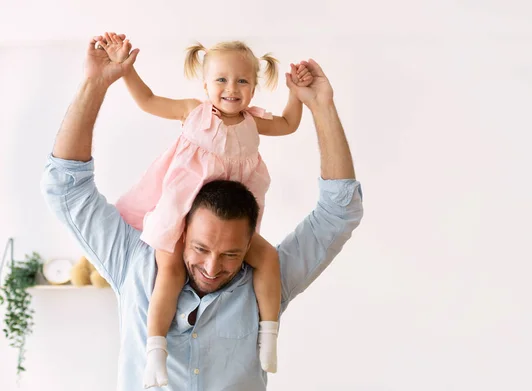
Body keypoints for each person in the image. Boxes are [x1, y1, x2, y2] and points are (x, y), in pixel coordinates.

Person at [41, 33, 363, 391]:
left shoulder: (266, 279)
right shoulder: (137, 263)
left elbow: (338, 211)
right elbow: (67, 188)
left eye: (232, 254)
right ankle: (155, 349)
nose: (212, 267)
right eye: (199, 248)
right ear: (181, 228)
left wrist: (320, 106)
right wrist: (96, 84)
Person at [96, 32, 313, 386]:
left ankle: (268, 337)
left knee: (268, 258)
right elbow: (148, 100)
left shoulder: (252, 122)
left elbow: (289, 124)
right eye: (222, 79)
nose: (232, 88)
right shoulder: (193, 113)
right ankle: (154, 351)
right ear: (206, 83)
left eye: (243, 80)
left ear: (254, 88)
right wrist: (125, 71)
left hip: (226, 224)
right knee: (169, 270)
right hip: (182, 214)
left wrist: (296, 94)